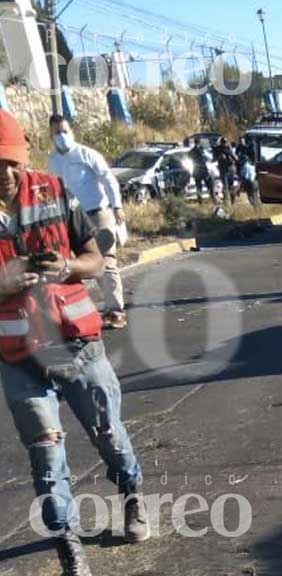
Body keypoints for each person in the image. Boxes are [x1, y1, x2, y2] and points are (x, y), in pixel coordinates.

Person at [1, 110, 149, 576]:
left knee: (108, 432)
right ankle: (67, 542)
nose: (4, 174)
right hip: (18, 356)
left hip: (77, 344)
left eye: (11, 162)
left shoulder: (54, 191)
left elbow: (95, 258)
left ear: (23, 157)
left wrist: (65, 266)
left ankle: (132, 495)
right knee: (45, 451)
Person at [48, 115, 127, 330]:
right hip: (72, 218)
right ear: (51, 135)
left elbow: (108, 179)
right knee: (70, 265)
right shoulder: (53, 160)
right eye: (57, 132)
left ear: (71, 131)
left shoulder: (86, 154)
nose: (61, 136)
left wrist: (117, 206)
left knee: (106, 262)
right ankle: (76, 314)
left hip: (98, 213)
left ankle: (115, 311)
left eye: (64, 131)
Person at [189, 138, 215, 204]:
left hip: (196, 170)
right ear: (199, 143)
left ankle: (200, 201)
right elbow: (204, 159)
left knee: (198, 187)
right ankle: (213, 199)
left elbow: (189, 157)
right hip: (203, 170)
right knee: (209, 185)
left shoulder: (191, 151)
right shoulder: (201, 150)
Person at [214, 138, 238, 204]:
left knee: (231, 186)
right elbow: (214, 159)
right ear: (221, 142)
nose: (224, 143)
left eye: (225, 142)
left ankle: (232, 201)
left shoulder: (228, 148)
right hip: (223, 169)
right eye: (223, 142)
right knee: (225, 186)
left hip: (230, 168)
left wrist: (230, 156)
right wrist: (220, 157)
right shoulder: (217, 149)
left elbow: (235, 159)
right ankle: (226, 202)